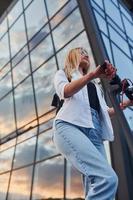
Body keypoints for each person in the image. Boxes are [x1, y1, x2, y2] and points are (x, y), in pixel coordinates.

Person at [53, 47, 118, 200]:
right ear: (72, 56)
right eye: (81, 52)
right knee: (107, 179)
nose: (86, 54)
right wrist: (92, 75)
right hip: (69, 126)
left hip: (95, 133)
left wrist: (126, 104)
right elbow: (65, 91)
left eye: (86, 52)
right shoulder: (64, 74)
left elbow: (105, 111)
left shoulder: (95, 86)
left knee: (97, 184)